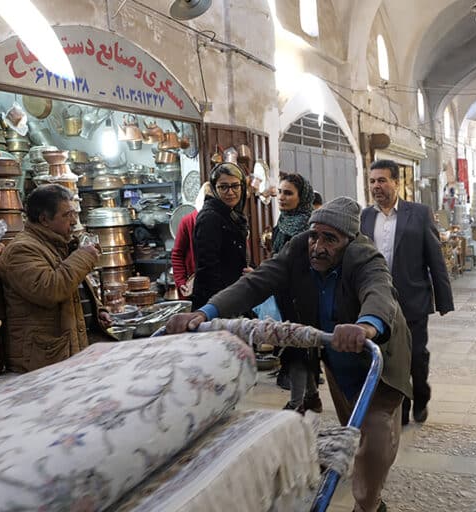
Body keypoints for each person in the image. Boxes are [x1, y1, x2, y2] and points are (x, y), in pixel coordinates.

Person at [166, 197, 412, 512]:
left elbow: (378, 291)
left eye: (329, 239)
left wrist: (365, 326)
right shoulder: (299, 248)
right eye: (314, 235)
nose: (317, 246)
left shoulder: (364, 256)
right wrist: (203, 313)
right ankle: (366, 482)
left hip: (377, 354)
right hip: (337, 354)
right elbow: (255, 283)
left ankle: (369, 504)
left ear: (348, 241)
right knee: (354, 427)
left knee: (377, 436)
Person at [361, 159, 454, 425]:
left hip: (413, 299)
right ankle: (399, 408)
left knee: (416, 357)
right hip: (378, 302)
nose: (376, 186)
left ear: (396, 182)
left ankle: (421, 395)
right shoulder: (365, 216)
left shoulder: (419, 213)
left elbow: (435, 258)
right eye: (372, 181)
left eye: (382, 180)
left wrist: (443, 299)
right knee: (389, 359)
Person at [0, 184, 112, 373]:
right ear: (44, 219)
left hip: (69, 352)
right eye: (67, 215)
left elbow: (72, 287)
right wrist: (83, 256)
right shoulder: (21, 250)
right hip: (45, 359)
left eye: (75, 214)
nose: (75, 222)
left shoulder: (58, 245)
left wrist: (95, 310)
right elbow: (50, 289)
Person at [273, 173, 322, 412]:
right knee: (299, 347)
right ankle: (312, 395)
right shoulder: (282, 222)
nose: (281, 197)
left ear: (302, 197)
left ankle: (297, 403)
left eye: (288, 193)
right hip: (284, 295)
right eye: (280, 192)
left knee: (297, 348)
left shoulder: (310, 226)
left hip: (303, 297)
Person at [191, 162, 251, 310]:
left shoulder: (233, 215)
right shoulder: (210, 218)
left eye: (235, 186)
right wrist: (220, 304)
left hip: (232, 293)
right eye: (223, 187)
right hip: (217, 300)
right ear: (214, 188)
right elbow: (208, 267)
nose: (230, 192)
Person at [171, 182, 212, 299]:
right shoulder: (187, 222)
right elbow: (177, 254)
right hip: (194, 285)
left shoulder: (226, 221)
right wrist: (181, 281)